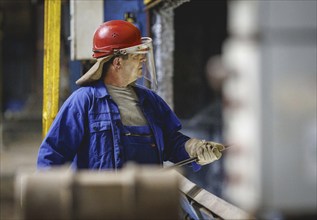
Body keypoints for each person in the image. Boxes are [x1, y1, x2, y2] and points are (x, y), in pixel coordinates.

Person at [37, 20, 224, 170]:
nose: (143, 60)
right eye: (137, 55)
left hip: (145, 205)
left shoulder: (150, 102)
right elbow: (52, 155)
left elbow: (171, 143)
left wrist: (195, 149)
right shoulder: (84, 102)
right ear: (117, 62)